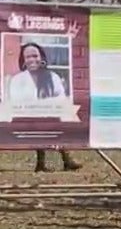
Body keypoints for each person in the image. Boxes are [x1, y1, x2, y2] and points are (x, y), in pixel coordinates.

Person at [7, 43, 82, 172]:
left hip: (50, 114)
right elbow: (16, 101)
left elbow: (61, 98)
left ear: (41, 57)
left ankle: (60, 160)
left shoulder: (52, 77)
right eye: (28, 57)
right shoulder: (17, 80)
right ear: (23, 61)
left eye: (35, 55)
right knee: (42, 125)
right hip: (27, 117)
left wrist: (49, 107)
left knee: (54, 124)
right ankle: (57, 161)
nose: (32, 60)